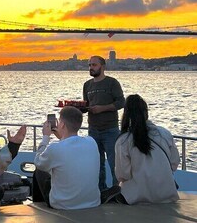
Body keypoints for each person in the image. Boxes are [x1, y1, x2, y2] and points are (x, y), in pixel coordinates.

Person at [115, 94, 180, 204]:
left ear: (126, 115)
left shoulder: (124, 141)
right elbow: (174, 164)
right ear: (146, 113)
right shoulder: (164, 133)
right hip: (166, 194)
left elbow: (123, 175)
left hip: (138, 197)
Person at [33, 106, 101, 210]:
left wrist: (45, 137)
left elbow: (38, 162)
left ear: (63, 124)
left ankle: (38, 208)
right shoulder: (91, 142)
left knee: (39, 171)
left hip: (63, 205)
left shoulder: (55, 148)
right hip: (92, 202)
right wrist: (62, 137)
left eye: (59, 121)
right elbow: (70, 149)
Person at [83, 55, 125, 191]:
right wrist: (77, 108)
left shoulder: (112, 83)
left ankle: (116, 192)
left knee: (115, 164)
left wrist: (102, 108)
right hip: (93, 130)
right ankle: (101, 191)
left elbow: (121, 102)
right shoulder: (87, 85)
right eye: (89, 65)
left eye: (94, 65)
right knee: (97, 163)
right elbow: (86, 105)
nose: (91, 67)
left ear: (103, 66)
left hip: (110, 130)